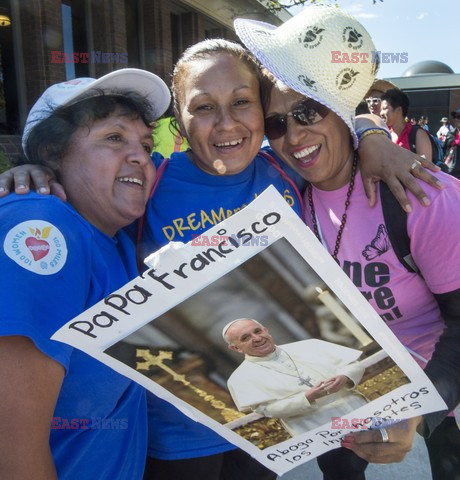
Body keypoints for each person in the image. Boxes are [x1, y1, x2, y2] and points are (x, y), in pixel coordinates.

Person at [0, 39, 444, 480]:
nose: (226, 122)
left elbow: (337, 133)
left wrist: (372, 136)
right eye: (204, 107)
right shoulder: (149, 183)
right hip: (173, 439)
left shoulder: (286, 170)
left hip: (269, 435)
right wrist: (33, 174)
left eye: (243, 102)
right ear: (180, 121)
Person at [234, 6, 460, 479]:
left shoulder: (421, 196)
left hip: (445, 392)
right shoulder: (285, 195)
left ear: (340, 110)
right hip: (348, 386)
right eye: (277, 124)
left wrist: (422, 409)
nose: (293, 135)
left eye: (307, 112)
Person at [0, 69, 171, 478]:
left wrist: (359, 132)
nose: (140, 156)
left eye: (145, 145)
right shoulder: (42, 225)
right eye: (114, 138)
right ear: (53, 153)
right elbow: (12, 447)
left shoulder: (112, 234)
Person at [224, 319, 366, 435]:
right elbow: (267, 410)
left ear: (266, 330)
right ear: (236, 348)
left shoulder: (309, 345)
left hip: (359, 411)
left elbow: (353, 364)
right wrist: (307, 397)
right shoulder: (239, 379)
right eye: (245, 338)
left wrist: (344, 376)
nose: (257, 338)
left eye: (257, 331)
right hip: (317, 429)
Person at [380, 88, 433, 160]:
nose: (381, 113)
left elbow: (426, 166)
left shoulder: (418, 134)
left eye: (384, 108)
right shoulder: (384, 134)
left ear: (398, 110)